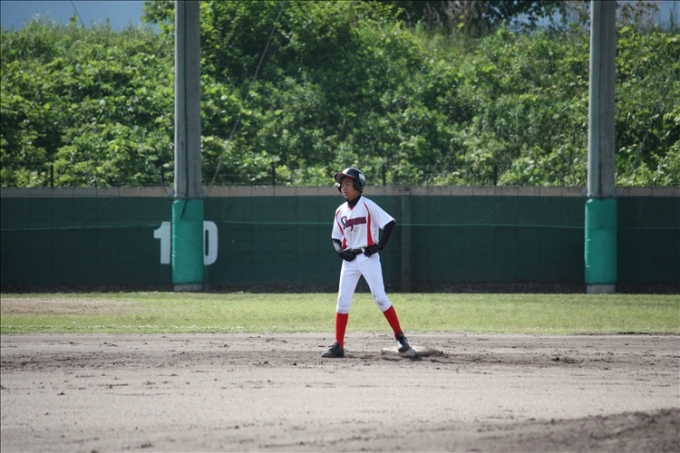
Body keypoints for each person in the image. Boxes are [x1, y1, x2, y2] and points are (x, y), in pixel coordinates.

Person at [322, 167, 415, 358]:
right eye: (342, 184)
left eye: (348, 183)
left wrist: (379, 246)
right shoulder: (340, 211)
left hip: (368, 257)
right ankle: (338, 345)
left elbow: (389, 223)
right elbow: (336, 237)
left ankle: (400, 337)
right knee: (342, 301)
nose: (344, 187)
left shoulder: (367, 205)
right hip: (350, 260)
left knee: (380, 298)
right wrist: (340, 252)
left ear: (358, 185)